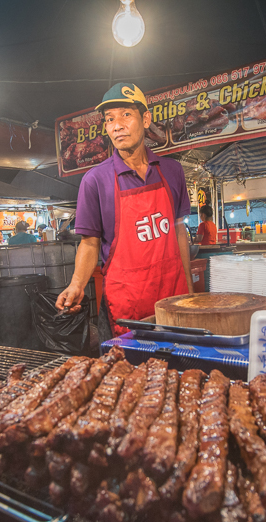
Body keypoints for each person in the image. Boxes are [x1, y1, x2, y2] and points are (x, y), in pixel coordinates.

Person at [56, 82, 193, 340]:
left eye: (126, 115)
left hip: (173, 298)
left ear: (146, 119)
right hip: (126, 304)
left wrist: (189, 287)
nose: (117, 125)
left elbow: (178, 229)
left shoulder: (172, 172)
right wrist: (77, 284)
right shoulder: (95, 180)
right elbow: (89, 243)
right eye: (109, 119)